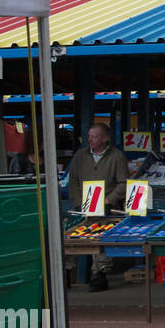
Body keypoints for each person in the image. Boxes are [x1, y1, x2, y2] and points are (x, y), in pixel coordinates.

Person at [65, 122, 129, 291]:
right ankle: (67, 272)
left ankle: (99, 275)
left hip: (107, 205)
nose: (90, 140)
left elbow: (124, 183)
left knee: (101, 238)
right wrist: (78, 201)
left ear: (105, 138)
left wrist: (109, 199)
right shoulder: (80, 156)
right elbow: (73, 181)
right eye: (89, 136)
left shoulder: (117, 156)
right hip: (83, 205)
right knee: (74, 237)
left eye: (94, 137)